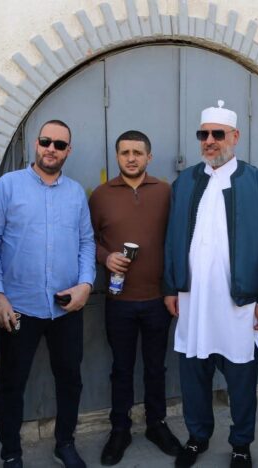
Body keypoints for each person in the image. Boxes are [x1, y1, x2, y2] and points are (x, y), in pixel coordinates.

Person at [163, 100, 258, 468]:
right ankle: (198, 437)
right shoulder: (185, 182)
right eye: (203, 134)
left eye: (217, 134)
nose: (210, 141)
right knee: (193, 375)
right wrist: (170, 287)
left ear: (235, 136)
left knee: (241, 380)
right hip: (193, 300)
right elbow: (171, 239)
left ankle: (241, 444)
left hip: (239, 303)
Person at [0, 120, 96, 468]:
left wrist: (86, 284)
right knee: (11, 383)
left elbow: (86, 242)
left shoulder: (75, 193)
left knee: (70, 379)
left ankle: (65, 443)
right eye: (46, 141)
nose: (51, 149)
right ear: (36, 143)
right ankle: (11, 453)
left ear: (68, 151)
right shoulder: (8, 186)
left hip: (66, 306)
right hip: (17, 309)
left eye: (59, 144)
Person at [89, 130, 181, 465]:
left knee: (156, 367)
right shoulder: (100, 195)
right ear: (117, 156)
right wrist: (105, 257)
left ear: (149, 157)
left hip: (158, 299)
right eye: (125, 152)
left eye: (137, 152)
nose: (131, 158)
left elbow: (178, 238)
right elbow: (86, 239)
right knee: (121, 368)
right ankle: (120, 429)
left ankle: (157, 424)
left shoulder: (166, 192)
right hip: (119, 301)